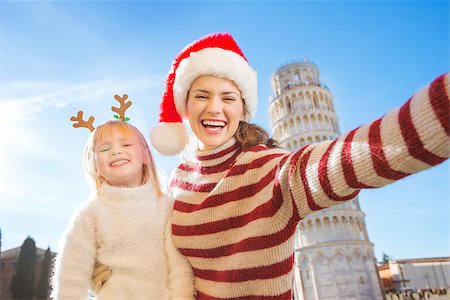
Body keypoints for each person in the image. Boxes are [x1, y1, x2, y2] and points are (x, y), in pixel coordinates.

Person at [96, 33, 449, 299]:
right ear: (184, 109)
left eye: (228, 97)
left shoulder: (270, 170)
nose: (215, 108)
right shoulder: (177, 182)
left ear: (242, 109)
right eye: (201, 95)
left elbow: (356, 156)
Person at [51, 95, 195, 299]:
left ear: (146, 155)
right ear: (95, 166)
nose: (116, 151)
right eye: (105, 148)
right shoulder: (91, 214)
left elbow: (178, 265)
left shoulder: (166, 206)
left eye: (126, 145)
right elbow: (71, 274)